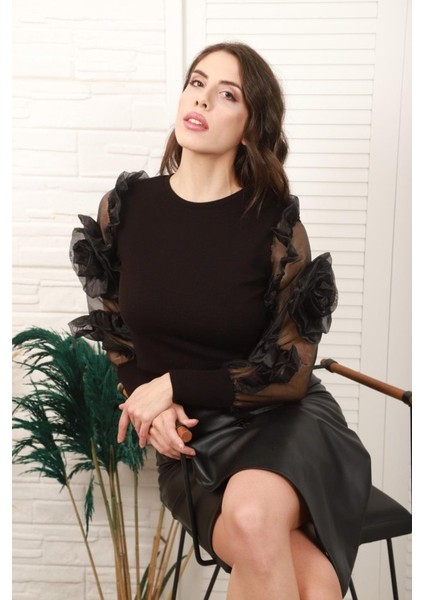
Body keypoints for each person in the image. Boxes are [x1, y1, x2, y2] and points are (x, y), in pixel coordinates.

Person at [69, 42, 371, 599]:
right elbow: (116, 331)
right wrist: (152, 404)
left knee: (254, 518)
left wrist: (171, 385)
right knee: (312, 585)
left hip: (285, 423)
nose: (203, 99)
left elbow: (290, 372)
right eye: (196, 82)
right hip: (191, 442)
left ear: (251, 126)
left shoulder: (275, 228)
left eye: (227, 94)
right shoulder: (128, 208)